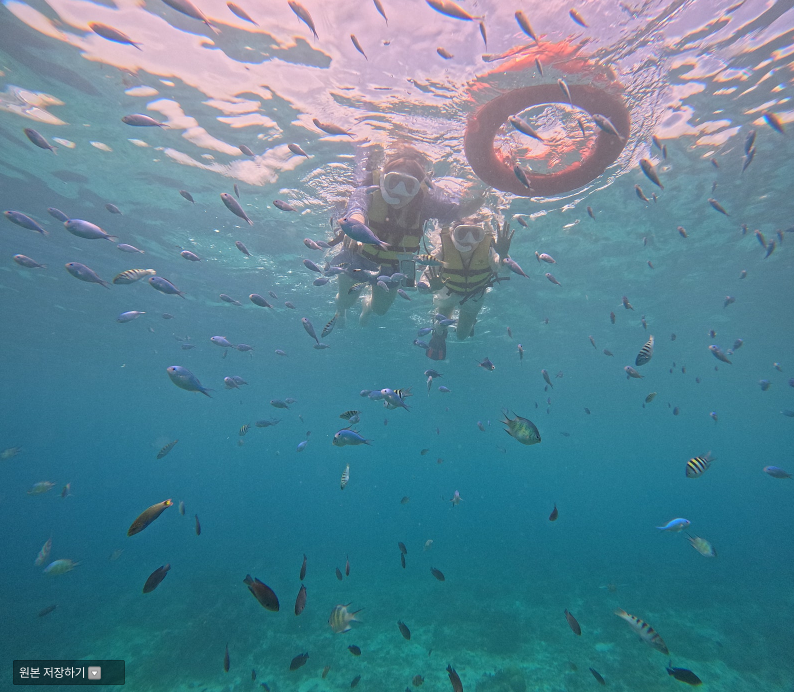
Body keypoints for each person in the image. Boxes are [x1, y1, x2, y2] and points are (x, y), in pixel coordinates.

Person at [331, 147, 477, 326]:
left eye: (408, 185)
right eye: (393, 182)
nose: (399, 191)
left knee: (380, 310)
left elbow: (458, 211)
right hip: (358, 254)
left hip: (393, 264)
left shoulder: (425, 203)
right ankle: (340, 310)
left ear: (418, 187)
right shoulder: (368, 190)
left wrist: (482, 191)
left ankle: (367, 307)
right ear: (383, 180)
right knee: (346, 301)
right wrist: (355, 226)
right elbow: (356, 208)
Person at [420, 216, 514, 361]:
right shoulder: (443, 250)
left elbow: (504, 269)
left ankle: (470, 323)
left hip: (475, 295)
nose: (469, 239)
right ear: (453, 234)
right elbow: (425, 278)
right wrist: (429, 287)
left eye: (475, 234)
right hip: (447, 292)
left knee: (462, 336)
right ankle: (439, 336)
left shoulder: (488, 251)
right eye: (462, 233)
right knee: (440, 325)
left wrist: (503, 254)